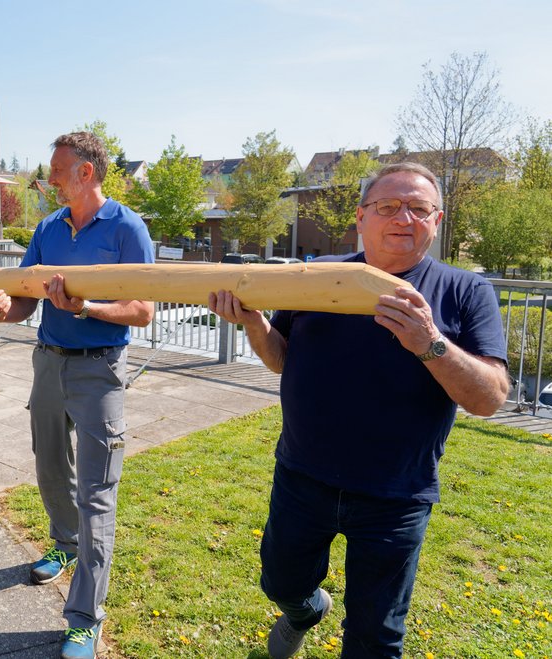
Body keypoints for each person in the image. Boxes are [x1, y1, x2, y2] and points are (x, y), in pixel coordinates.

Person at [208, 162, 509, 659]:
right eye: (388, 206)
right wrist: (255, 323)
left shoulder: (465, 291)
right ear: (361, 217)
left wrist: (429, 343)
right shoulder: (317, 277)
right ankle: (305, 610)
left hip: (396, 495)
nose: (403, 218)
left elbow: (489, 399)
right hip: (303, 475)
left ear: (436, 221)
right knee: (280, 582)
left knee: (375, 636)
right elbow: (282, 359)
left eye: (419, 208)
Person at [0, 132, 154, 659]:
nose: (49, 177)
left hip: (100, 370)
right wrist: (1, 311)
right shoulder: (47, 229)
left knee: (97, 494)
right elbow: (24, 305)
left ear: (86, 173)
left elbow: (143, 309)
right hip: (48, 363)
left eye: (57, 169)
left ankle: (84, 619)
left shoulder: (128, 228)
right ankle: (65, 544)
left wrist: (88, 309)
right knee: (50, 467)